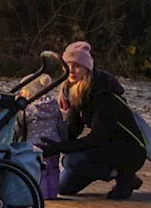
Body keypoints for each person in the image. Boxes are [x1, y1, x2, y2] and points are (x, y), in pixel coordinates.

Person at [41, 41, 146, 199]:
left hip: (128, 150)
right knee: (63, 188)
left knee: (71, 161)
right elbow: (73, 127)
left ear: (87, 68)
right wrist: (52, 142)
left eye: (77, 66)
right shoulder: (74, 89)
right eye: (68, 65)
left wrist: (60, 147)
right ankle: (109, 170)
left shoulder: (103, 94)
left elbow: (98, 137)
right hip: (105, 146)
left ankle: (125, 176)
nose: (71, 70)